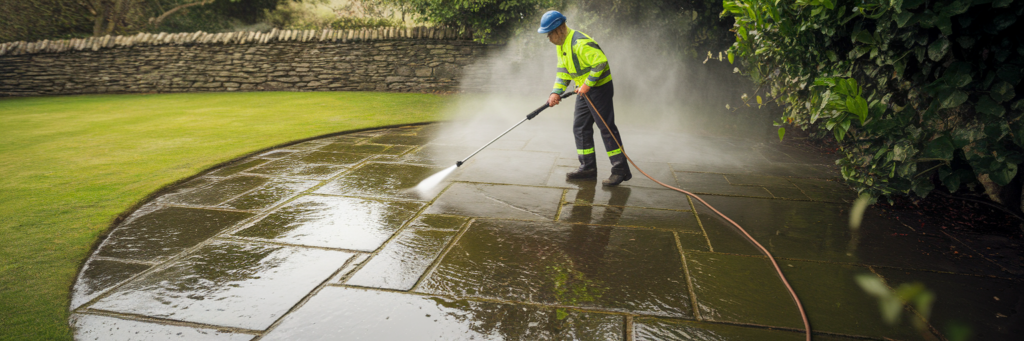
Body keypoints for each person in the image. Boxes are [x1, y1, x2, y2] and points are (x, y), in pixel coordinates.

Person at [538, 10, 632, 186]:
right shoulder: (561, 46)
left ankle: (621, 170)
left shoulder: (579, 42)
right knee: (580, 127)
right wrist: (555, 93)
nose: (548, 39)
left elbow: (601, 62)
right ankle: (587, 168)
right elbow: (563, 72)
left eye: (549, 34)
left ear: (559, 29)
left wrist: (587, 84)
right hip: (583, 91)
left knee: (606, 127)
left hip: (598, 89)